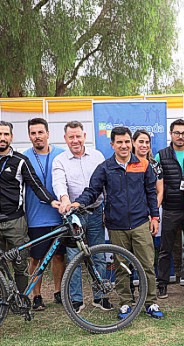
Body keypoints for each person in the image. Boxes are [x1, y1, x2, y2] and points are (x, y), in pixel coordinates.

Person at [70, 126, 163, 319]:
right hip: (116, 226)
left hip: (140, 224)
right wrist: (79, 202)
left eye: (127, 141)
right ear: (112, 145)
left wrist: (155, 217)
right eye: (119, 142)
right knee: (122, 266)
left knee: (147, 265)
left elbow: (151, 193)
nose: (124, 145)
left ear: (132, 143)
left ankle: (151, 303)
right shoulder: (105, 167)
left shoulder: (143, 165)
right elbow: (92, 191)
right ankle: (125, 304)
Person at [0, 121, 59, 294]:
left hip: (15, 220)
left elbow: (35, 184)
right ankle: (2, 299)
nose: (2, 138)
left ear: (11, 137)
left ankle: (21, 297)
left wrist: (52, 201)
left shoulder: (20, 160)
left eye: (6, 134)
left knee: (20, 262)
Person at [53, 121, 108, 314]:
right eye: (71, 137)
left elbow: (104, 184)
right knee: (73, 257)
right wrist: (65, 200)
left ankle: (100, 296)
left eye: (78, 136)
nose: (75, 140)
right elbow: (59, 183)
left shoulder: (97, 156)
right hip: (72, 215)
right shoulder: (59, 160)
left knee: (99, 255)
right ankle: (76, 299)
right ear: (65, 138)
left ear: (84, 136)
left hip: (95, 211)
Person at [23, 118, 67, 310]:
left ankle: (58, 291)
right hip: (35, 216)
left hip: (59, 215)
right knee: (36, 258)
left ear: (48, 133)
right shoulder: (23, 157)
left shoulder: (62, 154)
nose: (37, 136)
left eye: (40, 132)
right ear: (29, 136)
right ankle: (37, 295)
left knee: (58, 256)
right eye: (33, 133)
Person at [155, 118, 184, 299]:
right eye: (177, 133)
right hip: (171, 209)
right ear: (171, 134)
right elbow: (156, 183)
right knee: (165, 249)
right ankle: (162, 284)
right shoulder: (161, 155)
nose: (180, 136)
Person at [133, 129, 163, 208]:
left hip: (152, 211)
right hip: (132, 211)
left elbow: (160, 192)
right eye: (141, 141)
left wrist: (154, 213)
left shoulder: (155, 165)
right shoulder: (127, 164)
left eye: (147, 142)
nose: (144, 145)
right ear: (133, 143)